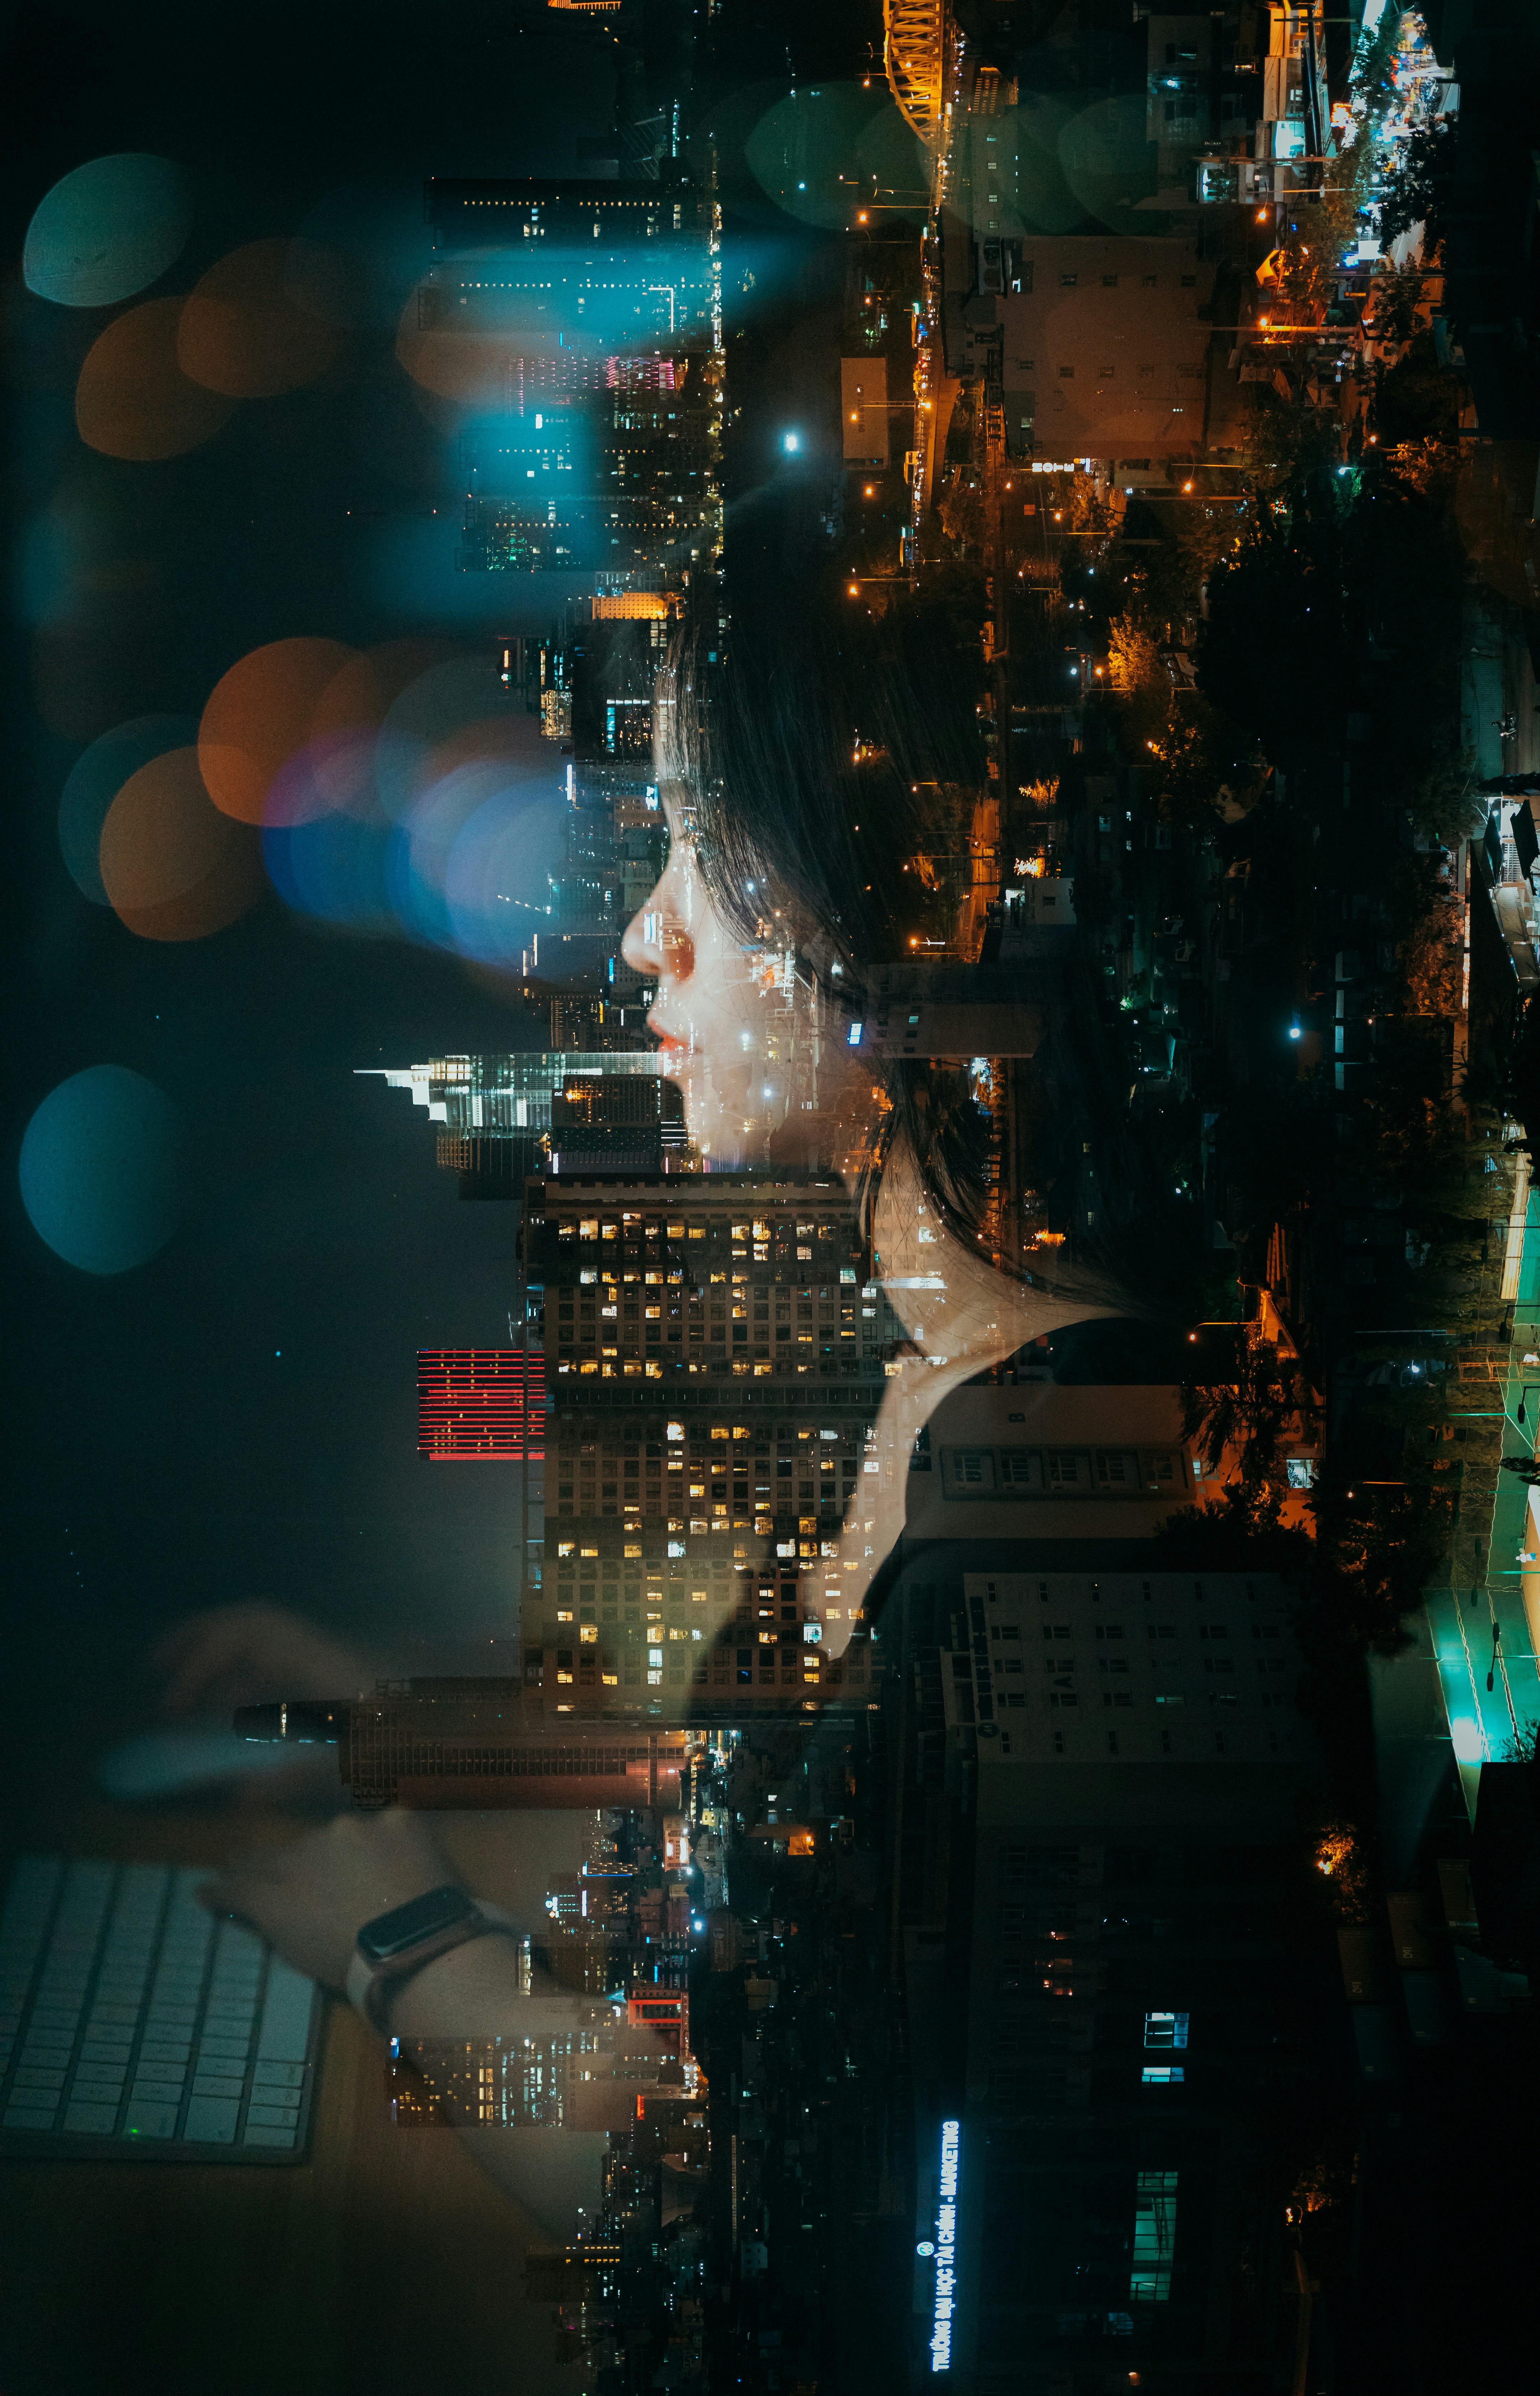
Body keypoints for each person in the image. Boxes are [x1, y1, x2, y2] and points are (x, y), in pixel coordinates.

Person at [191, 595, 1181, 2226]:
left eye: (704, 855)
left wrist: (410, 1949)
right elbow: (784, 1832)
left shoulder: (1035, 1518)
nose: (651, 935)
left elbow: (741, 2208)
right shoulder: (957, 1380)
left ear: (878, 907)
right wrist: (411, 1730)